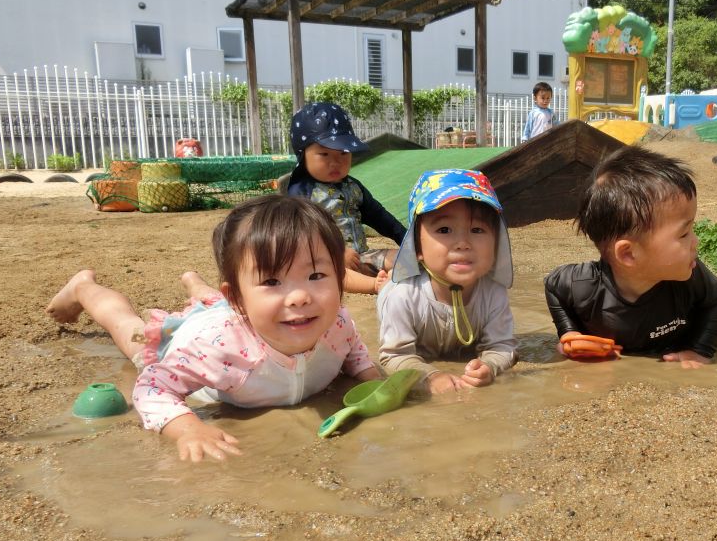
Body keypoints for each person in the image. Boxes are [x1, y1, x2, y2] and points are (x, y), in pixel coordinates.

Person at [46, 195, 382, 462]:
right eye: (272, 280)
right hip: (195, 334)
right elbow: (153, 387)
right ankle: (83, 288)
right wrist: (188, 428)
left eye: (316, 276)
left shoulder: (337, 321)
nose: (299, 297)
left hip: (236, 312)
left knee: (226, 304)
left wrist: (372, 378)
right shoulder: (213, 350)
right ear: (236, 297)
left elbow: (354, 350)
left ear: (339, 280)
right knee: (126, 327)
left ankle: (196, 284)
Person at [545, 145, 717, 366]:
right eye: (684, 234)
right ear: (629, 254)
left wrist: (700, 350)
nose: (696, 240)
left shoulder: (691, 277)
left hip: (668, 346)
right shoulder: (583, 285)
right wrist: (569, 333)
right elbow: (553, 286)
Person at [377, 169, 517, 394]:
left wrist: (490, 366)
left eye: (477, 229)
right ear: (417, 247)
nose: (463, 243)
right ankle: (383, 281)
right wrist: (428, 376)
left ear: (497, 243)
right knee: (388, 289)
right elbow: (394, 356)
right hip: (394, 292)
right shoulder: (403, 296)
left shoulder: (494, 293)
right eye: (444, 229)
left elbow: (502, 346)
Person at [285, 101, 406, 294]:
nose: (336, 162)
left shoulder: (353, 187)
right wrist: (337, 252)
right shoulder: (301, 192)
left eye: (343, 152)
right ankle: (374, 285)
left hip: (363, 255)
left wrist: (407, 239)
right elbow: (301, 234)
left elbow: (380, 217)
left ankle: (380, 273)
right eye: (324, 154)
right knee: (334, 275)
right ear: (303, 155)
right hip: (326, 261)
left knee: (408, 257)